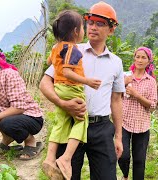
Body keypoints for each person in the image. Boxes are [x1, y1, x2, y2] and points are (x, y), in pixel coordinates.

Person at [40, 1, 125, 179]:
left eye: (100, 24)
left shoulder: (116, 62)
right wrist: (63, 103)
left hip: (101, 128)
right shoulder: (71, 49)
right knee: (67, 176)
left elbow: (116, 100)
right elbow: (45, 83)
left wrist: (118, 136)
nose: (93, 27)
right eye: (90, 22)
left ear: (111, 30)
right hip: (73, 122)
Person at [41, 10, 102, 180]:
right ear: (76, 31)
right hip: (70, 87)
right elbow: (67, 72)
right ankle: (66, 158)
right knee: (81, 120)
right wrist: (87, 81)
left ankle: (50, 158)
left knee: (60, 121)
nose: (85, 30)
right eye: (83, 27)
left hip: (58, 87)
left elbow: (50, 62)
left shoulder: (57, 47)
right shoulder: (73, 50)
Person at [118, 47, 157, 180]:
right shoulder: (125, 77)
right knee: (123, 155)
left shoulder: (151, 82)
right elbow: (114, 97)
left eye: (143, 57)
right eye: (137, 57)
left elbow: (152, 106)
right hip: (123, 122)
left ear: (148, 61)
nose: (139, 60)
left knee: (139, 161)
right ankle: (125, 175)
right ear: (134, 58)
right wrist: (122, 84)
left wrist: (136, 95)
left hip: (142, 125)